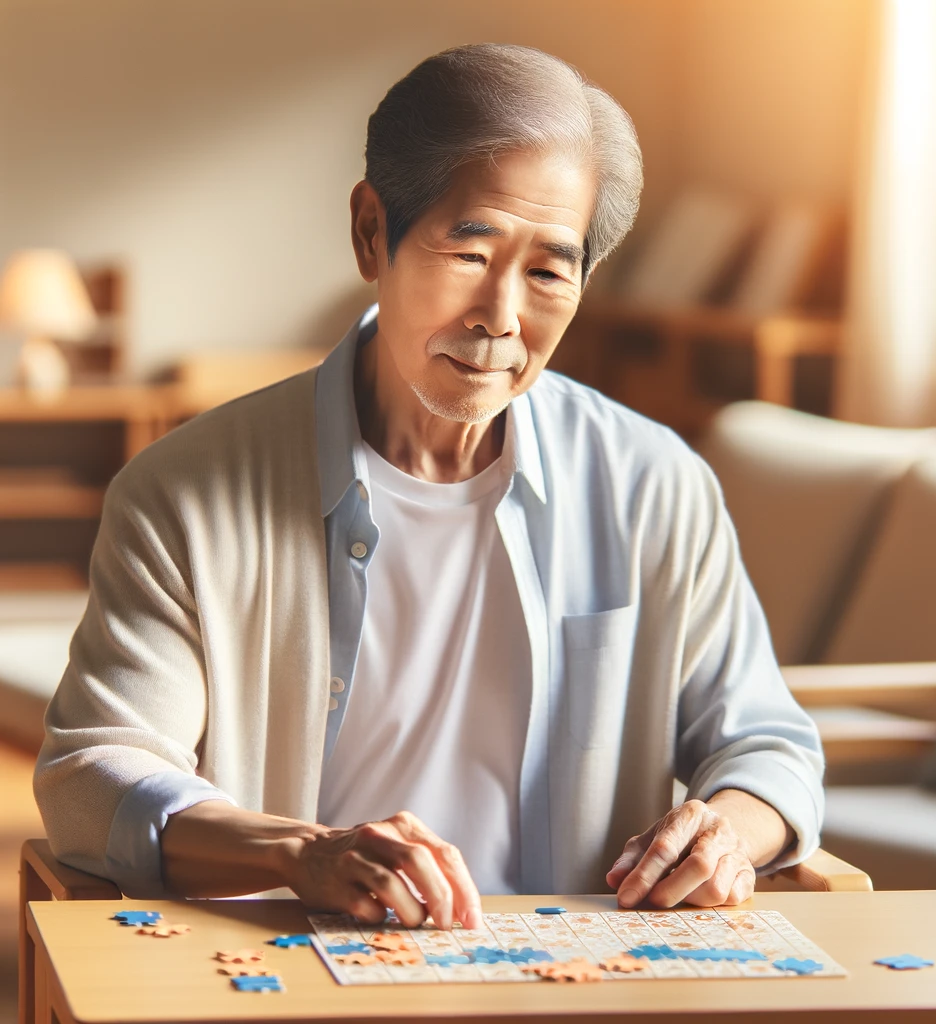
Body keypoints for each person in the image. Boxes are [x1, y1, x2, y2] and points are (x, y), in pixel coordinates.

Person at [35, 43, 823, 931]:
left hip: (573, 981)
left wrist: (724, 831)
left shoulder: (655, 484)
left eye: (549, 270)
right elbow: (94, 775)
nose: (501, 318)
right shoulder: (184, 496)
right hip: (292, 974)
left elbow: (766, 744)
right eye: (467, 249)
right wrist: (302, 853)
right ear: (373, 231)